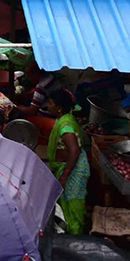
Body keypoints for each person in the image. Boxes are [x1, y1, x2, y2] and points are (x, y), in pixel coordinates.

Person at [47, 89, 89, 235]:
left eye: (51, 103)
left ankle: (76, 237)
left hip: (72, 169)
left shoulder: (66, 126)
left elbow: (74, 151)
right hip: (66, 166)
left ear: (59, 107)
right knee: (66, 204)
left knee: (73, 205)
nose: (48, 106)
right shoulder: (63, 119)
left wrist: (65, 176)